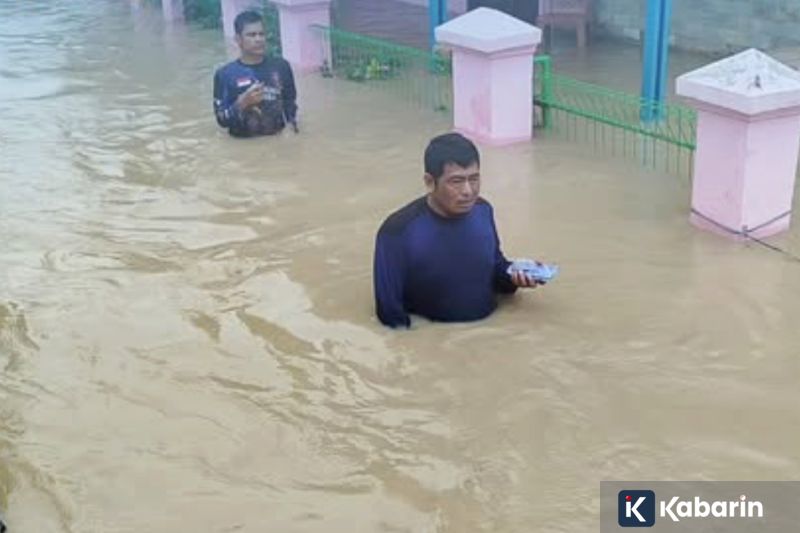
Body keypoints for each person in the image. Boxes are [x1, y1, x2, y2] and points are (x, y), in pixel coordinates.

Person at [373, 132, 542, 328]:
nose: (468, 191)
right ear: (429, 182)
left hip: (490, 336)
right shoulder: (397, 231)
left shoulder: (483, 211)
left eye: (474, 179)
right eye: (456, 181)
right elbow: (390, 315)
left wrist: (516, 275)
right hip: (438, 344)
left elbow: (494, 271)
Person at [213, 10, 298, 137]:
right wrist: (241, 103)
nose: (258, 39)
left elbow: (290, 104)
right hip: (242, 147)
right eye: (251, 35)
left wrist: (291, 127)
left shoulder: (281, 67)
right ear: (238, 39)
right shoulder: (225, 75)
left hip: (278, 142)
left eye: (261, 34)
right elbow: (221, 120)